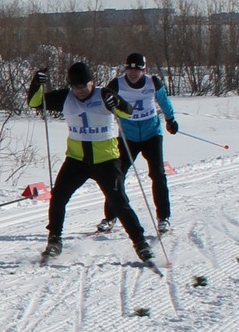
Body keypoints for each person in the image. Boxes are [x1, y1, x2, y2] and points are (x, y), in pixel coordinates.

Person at [28, 62, 152, 263]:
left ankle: (140, 243)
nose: (80, 91)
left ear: (92, 83)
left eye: (83, 86)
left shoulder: (104, 95)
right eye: (76, 87)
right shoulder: (66, 97)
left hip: (106, 161)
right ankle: (54, 241)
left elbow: (128, 112)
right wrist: (37, 83)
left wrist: (117, 104)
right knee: (58, 197)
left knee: (119, 202)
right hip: (77, 160)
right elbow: (35, 103)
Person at [97, 52, 179, 235]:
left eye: (138, 69)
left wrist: (170, 119)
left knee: (157, 174)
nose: (133, 73)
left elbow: (164, 101)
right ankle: (110, 217)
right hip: (128, 136)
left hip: (152, 134)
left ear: (144, 69)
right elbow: (102, 102)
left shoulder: (152, 82)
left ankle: (163, 217)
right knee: (116, 176)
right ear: (125, 68)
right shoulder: (116, 84)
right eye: (130, 68)